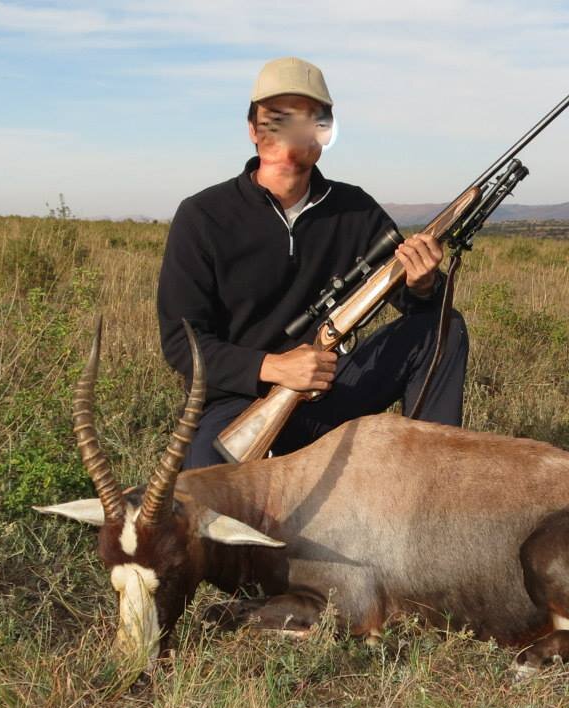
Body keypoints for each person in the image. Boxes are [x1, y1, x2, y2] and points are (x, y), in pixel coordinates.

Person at [157, 57, 468, 469]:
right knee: (205, 510)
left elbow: (421, 307)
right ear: (252, 129)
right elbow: (182, 343)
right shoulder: (202, 215)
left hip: (332, 389)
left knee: (442, 328)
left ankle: (433, 477)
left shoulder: (355, 209)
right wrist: (273, 367)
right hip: (236, 407)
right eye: (277, 118)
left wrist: (423, 285)